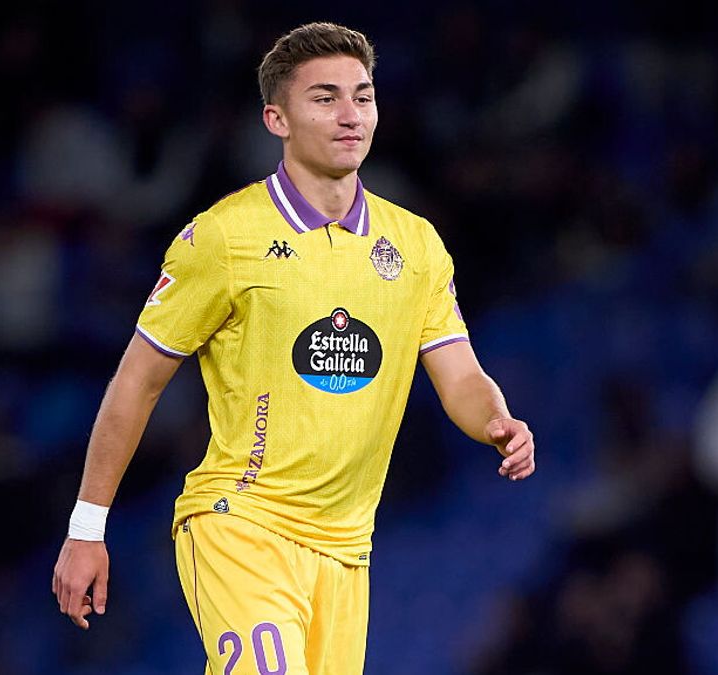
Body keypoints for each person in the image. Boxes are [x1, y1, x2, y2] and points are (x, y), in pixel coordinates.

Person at [52, 21, 535, 674]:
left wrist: (497, 420)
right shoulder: (223, 238)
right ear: (276, 119)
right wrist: (87, 528)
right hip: (241, 525)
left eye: (362, 97)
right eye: (325, 98)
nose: (350, 115)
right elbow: (138, 380)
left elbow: (460, 376)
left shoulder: (415, 245)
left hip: (347, 553)